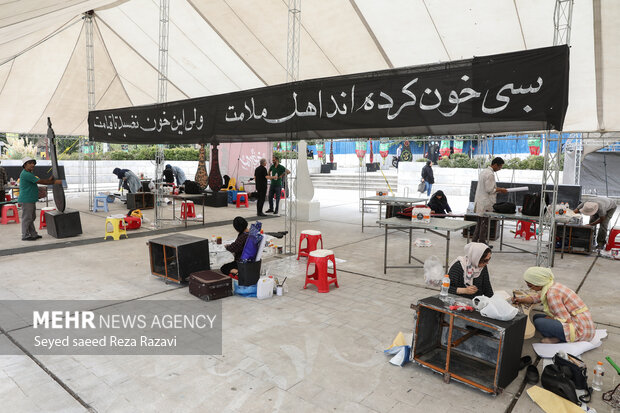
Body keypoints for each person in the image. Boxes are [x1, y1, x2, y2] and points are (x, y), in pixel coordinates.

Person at [513, 267, 595, 343]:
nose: (530, 288)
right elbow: (536, 298)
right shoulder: (550, 285)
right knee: (536, 317)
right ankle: (559, 335)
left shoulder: (552, 294)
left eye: (530, 285)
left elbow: (564, 318)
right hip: (578, 321)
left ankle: (561, 339)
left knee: (539, 322)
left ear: (538, 283)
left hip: (580, 330)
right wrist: (521, 300)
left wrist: (550, 318)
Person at [18, 157, 62, 241]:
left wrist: (49, 180)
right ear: (24, 165)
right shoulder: (26, 174)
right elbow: (41, 181)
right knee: (27, 218)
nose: (32, 165)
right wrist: (56, 182)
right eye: (30, 163)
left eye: (33, 163)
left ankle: (33, 234)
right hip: (26, 199)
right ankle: (25, 235)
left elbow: (40, 181)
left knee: (31, 217)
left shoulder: (30, 173)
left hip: (30, 199)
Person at [472, 157, 508, 243]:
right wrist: (500, 189)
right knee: (484, 224)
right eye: (499, 167)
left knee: (480, 223)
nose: (499, 169)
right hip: (485, 202)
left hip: (481, 201)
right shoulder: (490, 174)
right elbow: (490, 189)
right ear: (495, 165)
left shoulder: (484, 171)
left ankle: (474, 241)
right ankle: (482, 243)